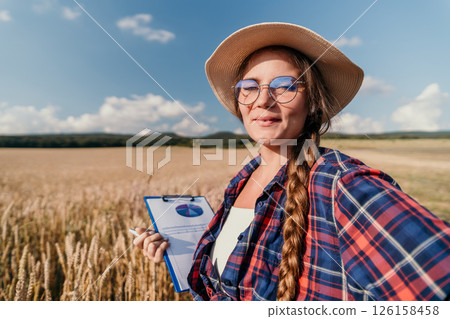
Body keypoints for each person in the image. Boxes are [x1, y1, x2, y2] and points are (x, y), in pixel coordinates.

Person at [133, 22, 450, 301]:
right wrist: (181, 246)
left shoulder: (341, 184)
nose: (262, 99)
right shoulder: (244, 180)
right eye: (250, 87)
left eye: (284, 86)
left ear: (313, 103)